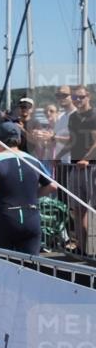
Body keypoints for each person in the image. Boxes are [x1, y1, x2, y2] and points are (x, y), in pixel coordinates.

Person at [0, 122, 57, 254]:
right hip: (31, 217)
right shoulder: (33, 160)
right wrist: (32, 195)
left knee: (2, 265)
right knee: (31, 266)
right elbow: (52, 185)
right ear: (19, 139)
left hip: (6, 217)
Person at [68, 85, 96, 251]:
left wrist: (86, 159)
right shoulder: (73, 117)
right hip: (75, 166)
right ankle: (81, 248)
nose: (78, 100)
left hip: (91, 167)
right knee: (78, 210)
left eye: (81, 97)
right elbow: (73, 140)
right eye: (75, 97)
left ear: (88, 97)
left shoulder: (94, 115)